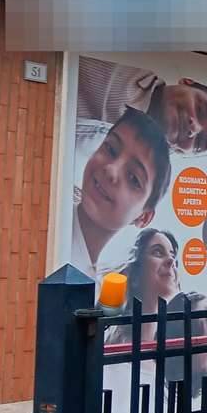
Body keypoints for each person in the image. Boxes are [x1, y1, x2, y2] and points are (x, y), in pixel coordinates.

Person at [70, 107, 172, 282]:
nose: (111, 170)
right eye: (110, 149)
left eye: (133, 178)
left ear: (144, 217)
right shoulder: (48, 228)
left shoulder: (102, 280)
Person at [76, 55, 207, 156]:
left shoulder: (137, 178)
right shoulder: (128, 58)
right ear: (186, 82)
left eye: (199, 142)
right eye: (200, 110)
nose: (194, 128)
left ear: (181, 152)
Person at [104, 229, 181, 346]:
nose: (171, 260)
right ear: (135, 273)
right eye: (158, 252)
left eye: (172, 255)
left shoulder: (184, 335)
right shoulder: (113, 344)